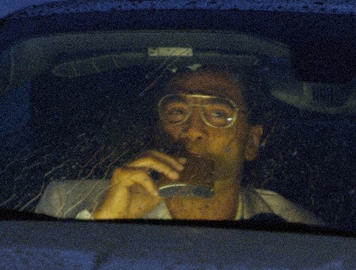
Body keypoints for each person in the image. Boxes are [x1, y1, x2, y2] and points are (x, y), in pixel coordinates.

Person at [35, 65, 322, 224]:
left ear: (251, 141)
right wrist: (105, 221)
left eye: (219, 114)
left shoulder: (294, 229)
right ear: (157, 130)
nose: (193, 129)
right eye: (176, 111)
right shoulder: (65, 203)